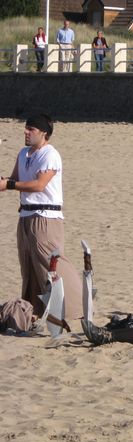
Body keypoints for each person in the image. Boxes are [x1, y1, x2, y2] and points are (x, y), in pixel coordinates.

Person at [0, 114, 82, 320]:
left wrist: (9, 185)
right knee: (29, 264)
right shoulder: (23, 153)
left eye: (32, 129)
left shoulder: (50, 154)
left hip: (46, 217)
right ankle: (35, 309)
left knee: (53, 263)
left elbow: (39, 185)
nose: (26, 132)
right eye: (26, 128)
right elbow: (15, 179)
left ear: (44, 133)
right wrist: (5, 182)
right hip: (25, 215)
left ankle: (76, 308)